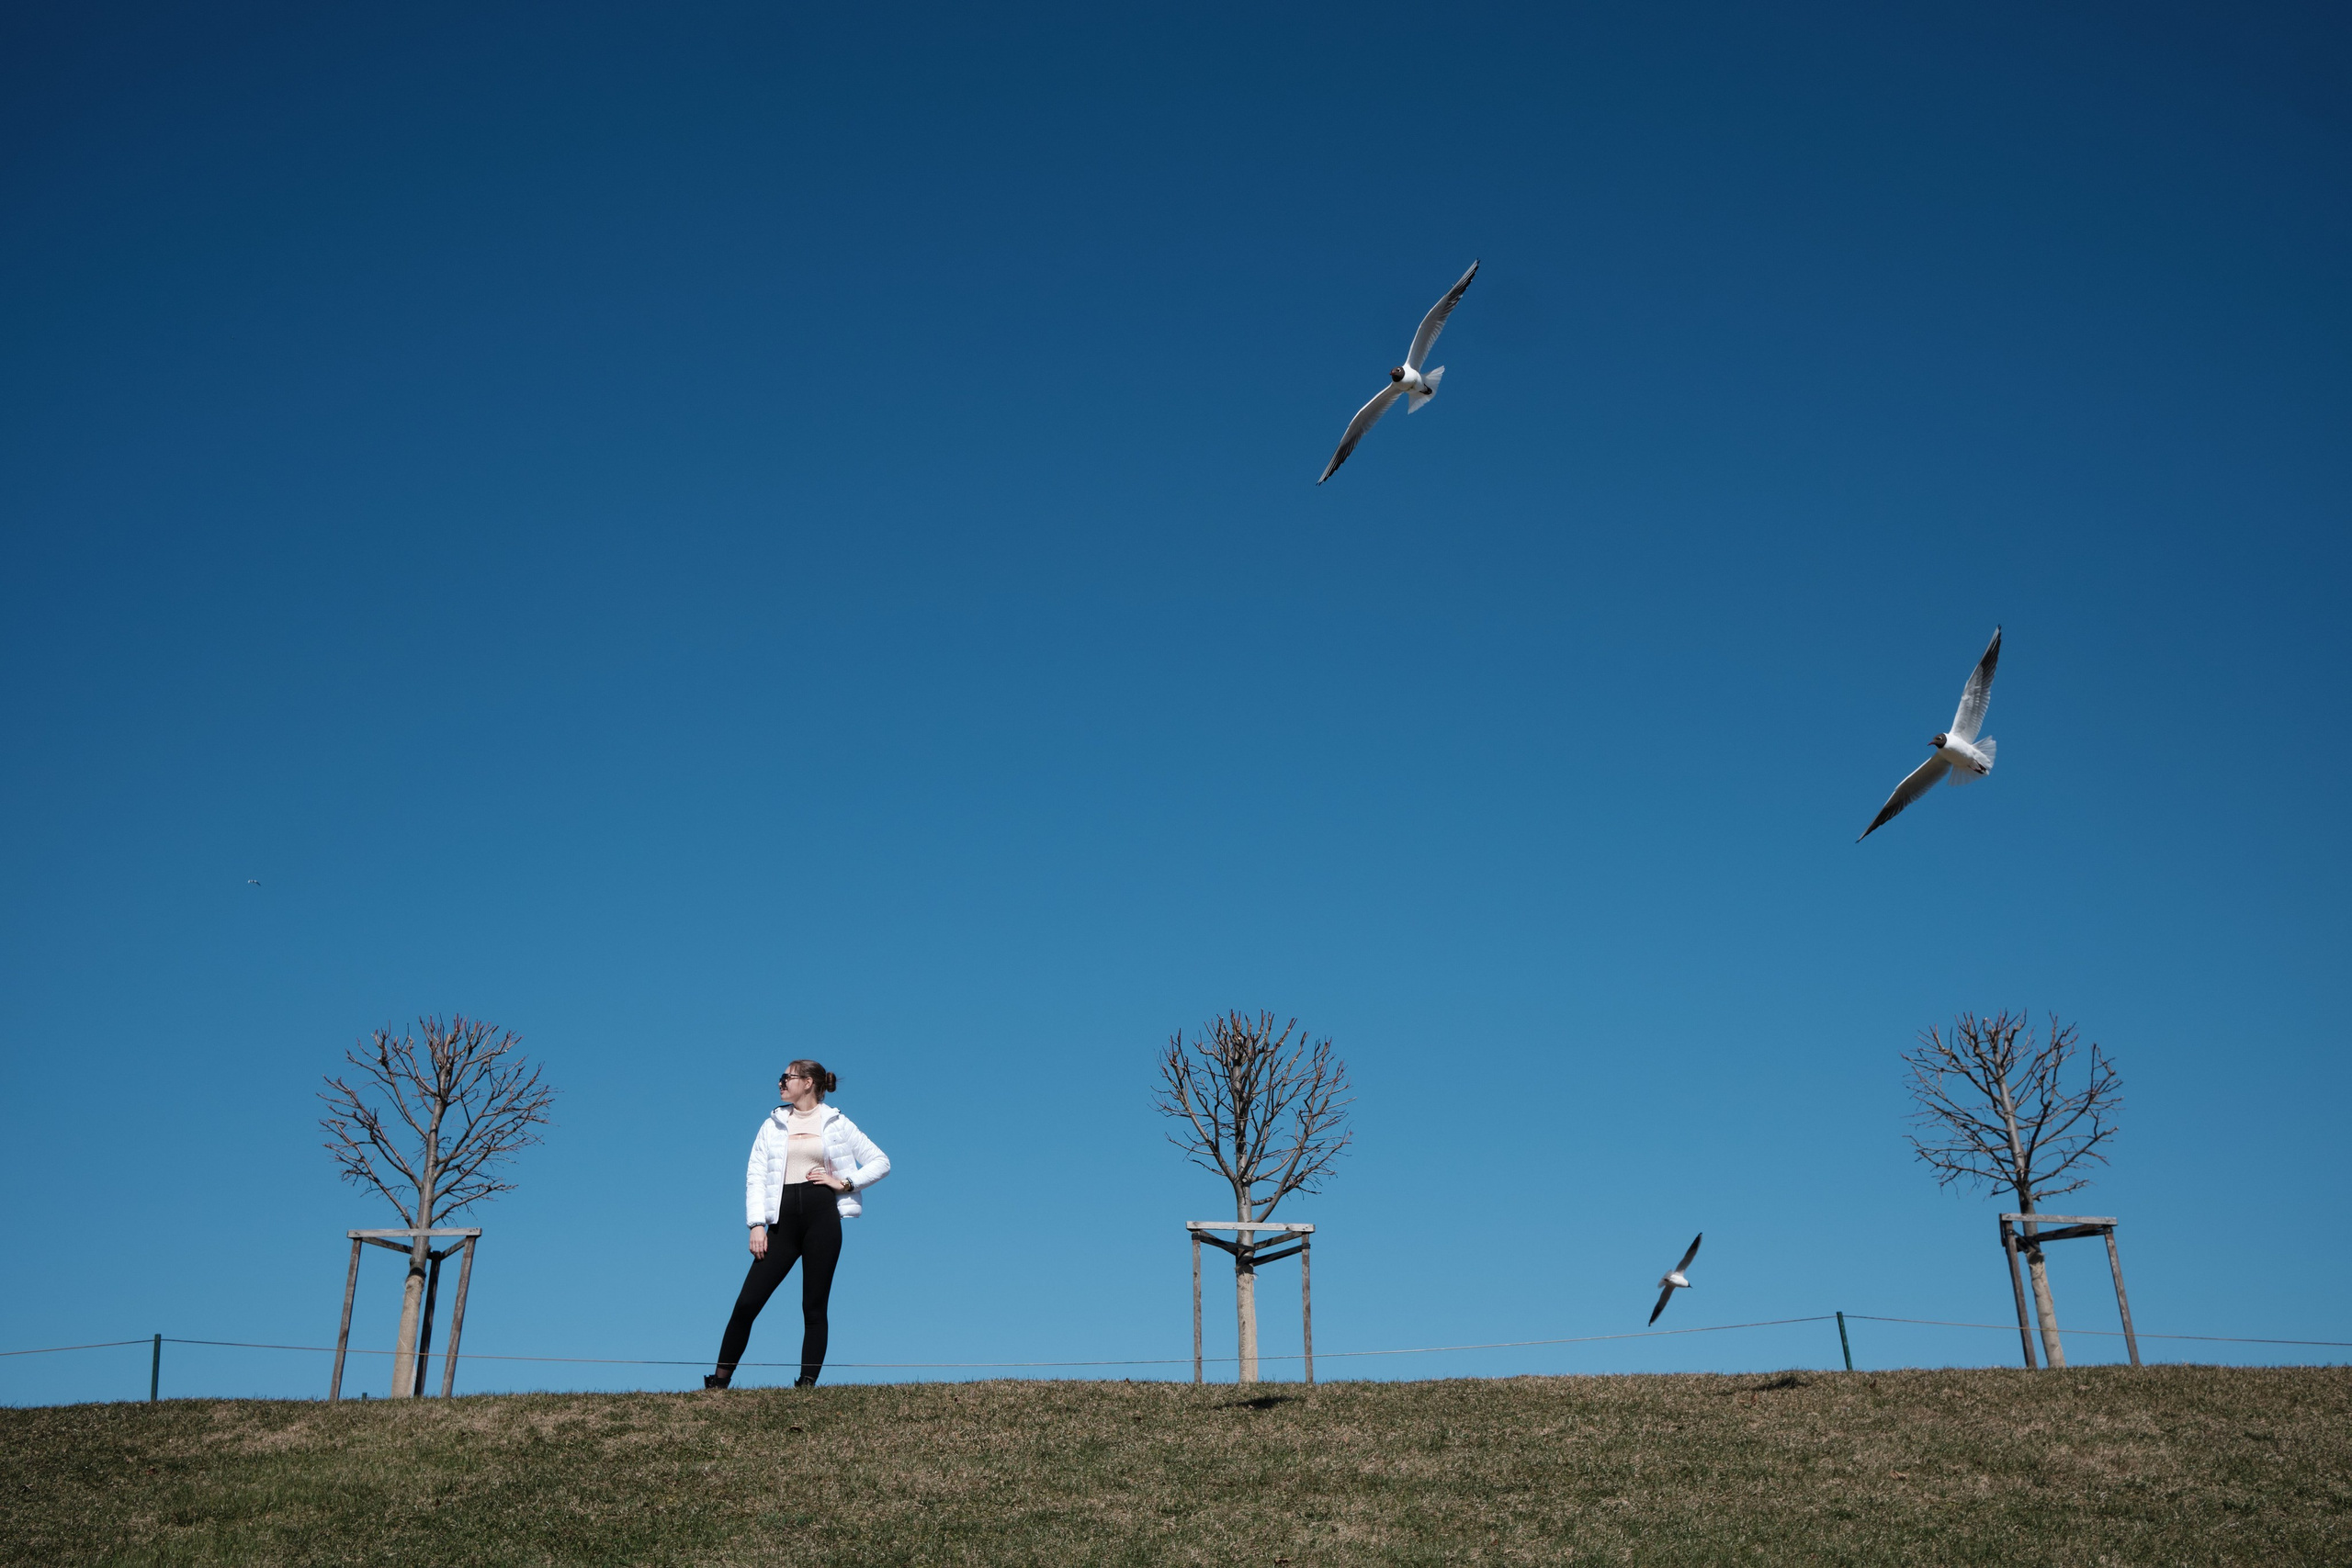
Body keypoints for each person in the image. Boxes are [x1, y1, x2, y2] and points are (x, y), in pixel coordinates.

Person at [705, 1059, 890, 1390]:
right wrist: (756, 1225)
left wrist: (844, 1182)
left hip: (821, 1218)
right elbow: (756, 1176)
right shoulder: (772, 1124)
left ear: (807, 1082)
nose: (780, 1083)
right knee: (747, 1302)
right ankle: (718, 1382)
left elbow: (881, 1161)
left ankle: (806, 1385)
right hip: (780, 1222)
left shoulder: (836, 1122)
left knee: (814, 1305)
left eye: (786, 1077)